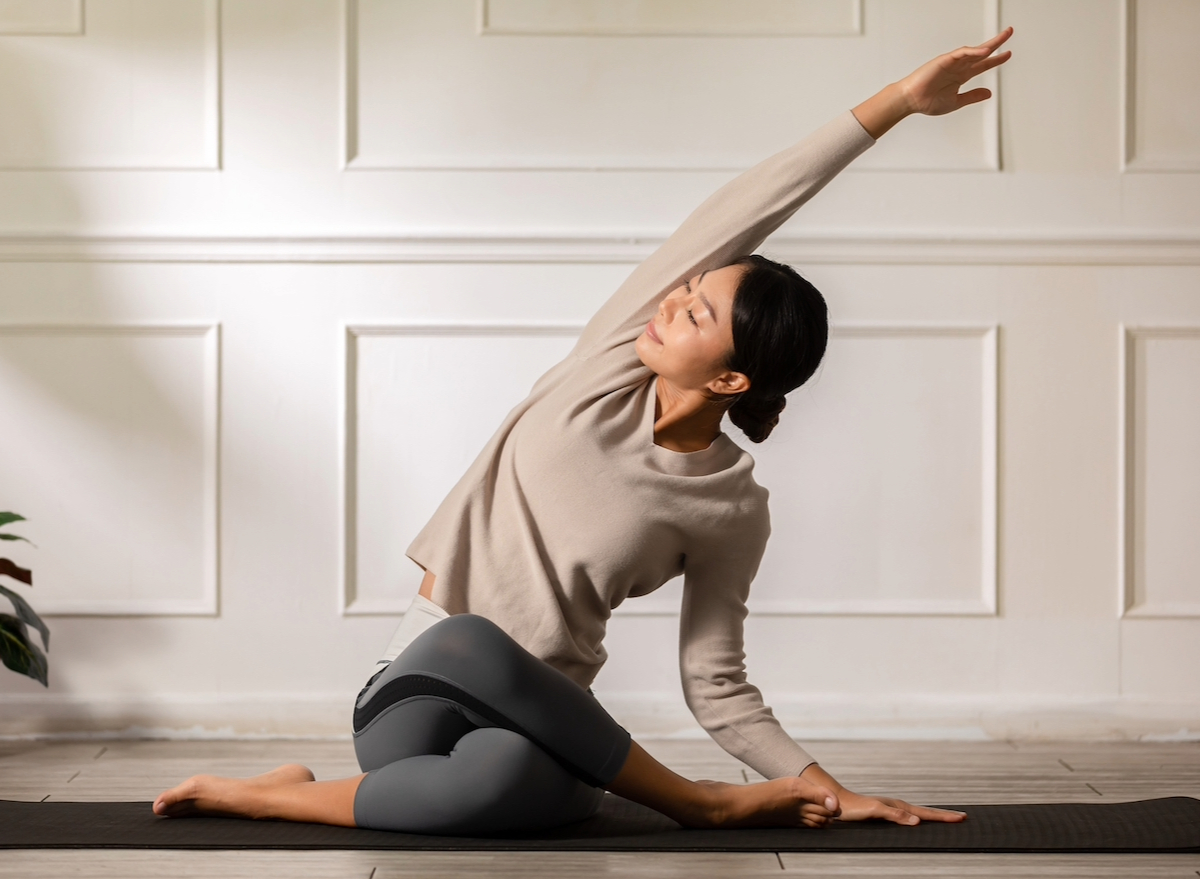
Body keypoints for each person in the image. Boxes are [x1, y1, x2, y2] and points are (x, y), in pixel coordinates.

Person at [154, 28, 1013, 834]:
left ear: (728, 378)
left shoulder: (731, 507)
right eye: (685, 289)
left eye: (699, 312)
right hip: (423, 685)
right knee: (473, 640)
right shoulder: (607, 365)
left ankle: (286, 795)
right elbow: (753, 203)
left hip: (548, 723)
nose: (673, 301)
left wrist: (824, 789)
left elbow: (716, 682)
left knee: (512, 782)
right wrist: (898, 100)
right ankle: (703, 803)